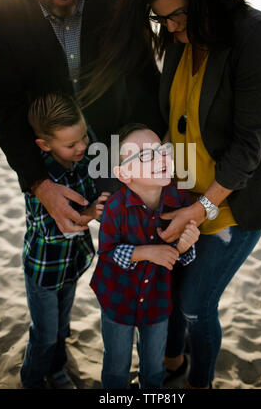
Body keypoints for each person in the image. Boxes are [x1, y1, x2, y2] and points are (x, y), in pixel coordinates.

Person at [82, 0, 261, 389]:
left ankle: (199, 381)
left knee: (195, 302)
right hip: (176, 194)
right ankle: (172, 365)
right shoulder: (178, 39)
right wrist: (131, 180)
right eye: (162, 18)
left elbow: (249, 146)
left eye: (180, 15)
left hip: (230, 201)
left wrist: (201, 209)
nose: (172, 27)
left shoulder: (256, 36)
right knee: (171, 291)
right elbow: (167, 119)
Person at [0, 0, 166, 235]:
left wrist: (156, 152)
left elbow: (147, 81)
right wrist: (40, 185)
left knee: (140, 248)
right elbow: (5, 108)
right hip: (52, 164)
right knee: (53, 263)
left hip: (121, 153)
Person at [90, 123, 200, 389]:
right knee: (117, 366)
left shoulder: (180, 200)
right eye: (145, 155)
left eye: (162, 150)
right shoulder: (116, 206)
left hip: (157, 301)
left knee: (153, 368)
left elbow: (181, 258)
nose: (161, 157)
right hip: (117, 298)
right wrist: (146, 252)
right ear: (124, 173)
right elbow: (106, 253)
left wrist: (185, 247)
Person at [21, 93, 110, 389]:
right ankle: (32, 379)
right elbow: (54, 230)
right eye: (71, 144)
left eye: (83, 136)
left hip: (71, 265)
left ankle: (57, 371)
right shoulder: (40, 180)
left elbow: (94, 190)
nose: (82, 147)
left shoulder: (82, 161)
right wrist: (88, 212)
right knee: (44, 334)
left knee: (61, 327)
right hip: (44, 271)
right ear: (45, 145)